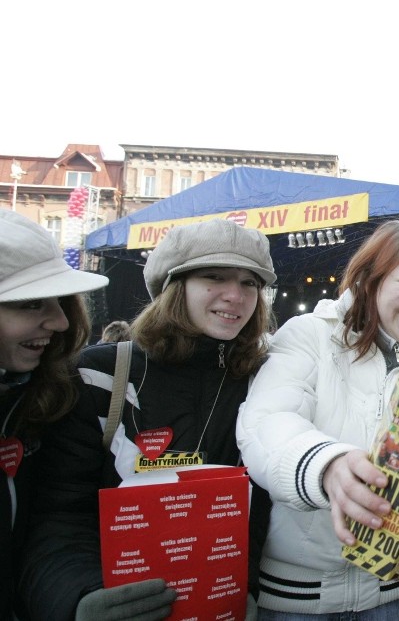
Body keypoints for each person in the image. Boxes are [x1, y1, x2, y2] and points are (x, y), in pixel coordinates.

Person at [19, 219, 277, 621]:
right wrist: (80, 599)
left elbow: (261, 513)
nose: (236, 295)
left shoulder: (263, 382)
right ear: (174, 288)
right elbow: (59, 516)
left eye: (250, 283)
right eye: (214, 276)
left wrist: (244, 587)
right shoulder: (98, 376)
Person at [236, 220, 399, 619]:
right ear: (372, 279)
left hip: (398, 591)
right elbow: (266, 421)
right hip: (300, 599)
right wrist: (327, 466)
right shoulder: (310, 335)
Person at [0, 210, 108, 620]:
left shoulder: (45, 401)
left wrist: (75, 596)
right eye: (31, 304)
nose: (61, 321)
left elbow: (52, 531)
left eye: (61, 302)